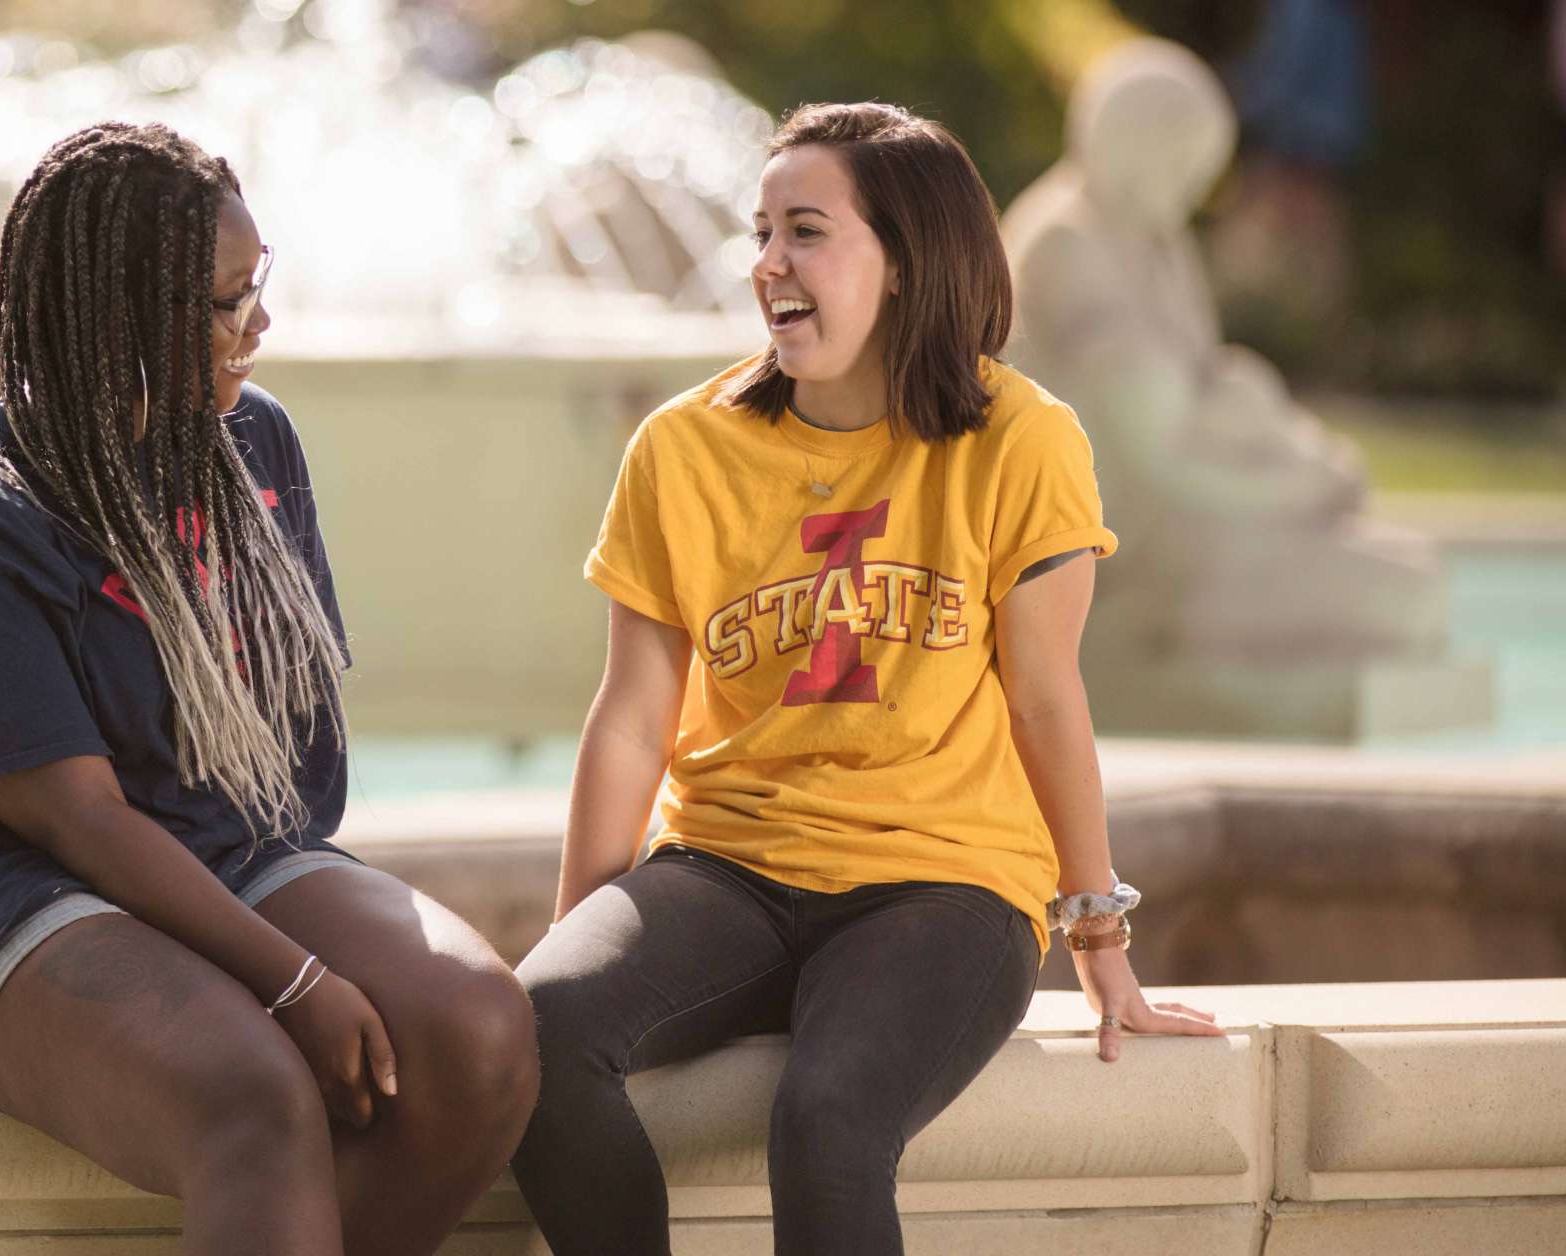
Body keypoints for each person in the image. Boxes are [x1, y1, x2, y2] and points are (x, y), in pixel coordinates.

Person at [510, 102, 1225, 1254]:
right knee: (529, 1033)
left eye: (806, 231)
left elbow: (1047, 699)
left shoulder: (1022, 439)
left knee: (829, 1116)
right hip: (728, 866)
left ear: (905, 262)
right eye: (760, 234)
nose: (768, 265)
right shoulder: (681, 449)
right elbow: (631, 721)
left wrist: (1098, 938)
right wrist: (582, 949)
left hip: (944, 886)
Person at [0, 122, 537, 1254]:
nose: (257, 324)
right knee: (251, 1096)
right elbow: (76, 819)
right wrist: (297, 977)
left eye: (255, 285)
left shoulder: (250, 445)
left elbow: (291, 758)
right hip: (1, 893)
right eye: (222, 302)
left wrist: (300, 935)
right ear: (123, 315)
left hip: (224, 843)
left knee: (478, 1029)